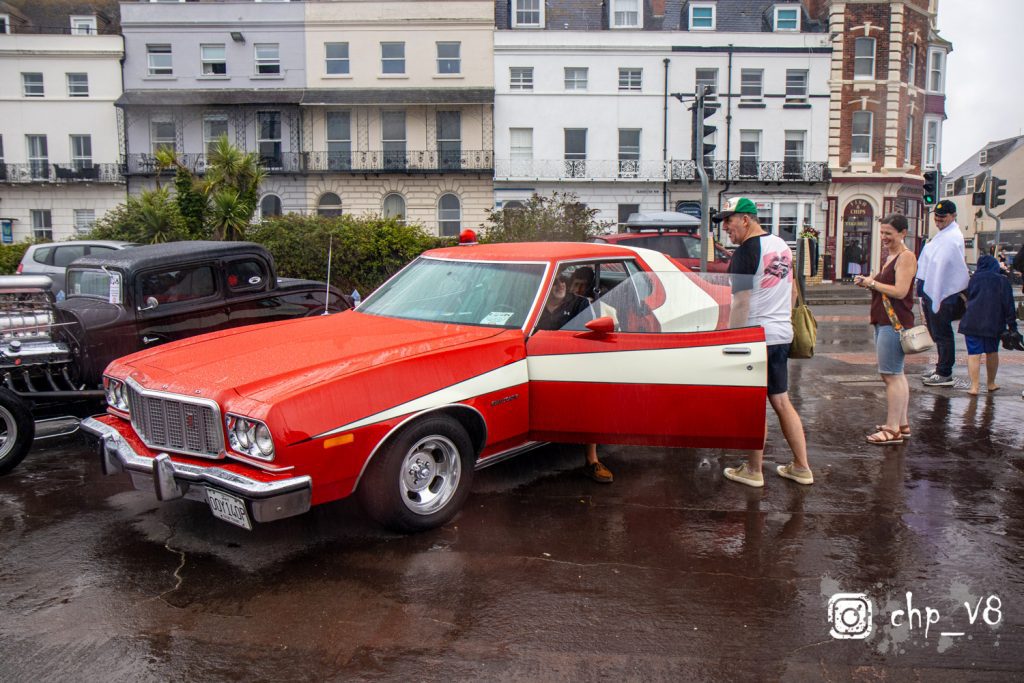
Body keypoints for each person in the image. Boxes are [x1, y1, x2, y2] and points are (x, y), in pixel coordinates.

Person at [714, 197, 813, 487]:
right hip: (781, 333)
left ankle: (754, 470)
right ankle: (801, 466)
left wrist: (730, 340)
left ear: (746, 219)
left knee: (755, 405)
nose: (726, 229)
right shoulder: (781, 245)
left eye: (729, 221)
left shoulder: (745, 252)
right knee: (781, 399)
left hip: (758, 336)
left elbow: (741, 301)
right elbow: (792, 289)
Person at [535, 273, 611, 483]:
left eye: (562, 281)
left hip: (573, 361)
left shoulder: (579, 303)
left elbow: (591, 338)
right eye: (554, 281)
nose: (560, 285)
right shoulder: (535, 304)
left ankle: (592, 460)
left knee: (592, 395)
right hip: (537, 360)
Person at [854, 214, 918, 444]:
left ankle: (892, 430)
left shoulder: (906, 257)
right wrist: (870, 282)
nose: (884, 237)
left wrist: (871, 282)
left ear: (903, 233)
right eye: (882, 233)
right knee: (895, 373)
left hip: (894, 322)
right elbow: (887, 288)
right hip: (886, 320)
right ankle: (901, 423)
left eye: (889, 233)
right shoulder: (892, 256)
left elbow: (900, 291)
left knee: (891, 375)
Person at [915, 200, 970, 387]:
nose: (938, 220)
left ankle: (945, 372)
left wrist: (936, 288)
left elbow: (945, 265)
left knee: (943, 333)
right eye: (936, 217)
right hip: (934, 291)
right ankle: (941, 367)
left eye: (942, 217)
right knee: (937, 332)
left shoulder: (952, 237)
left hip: (944, 293)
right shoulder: (942, 235)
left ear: (953, 216)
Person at [957, 254, 1018, 395]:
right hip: (994, 323)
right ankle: (991, 383)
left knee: (973, 353)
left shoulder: (972, 280)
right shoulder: (1002, 281)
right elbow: (1009, 305)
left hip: (971, 322)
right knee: (992, 352)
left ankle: (974, 387)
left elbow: (965, 299)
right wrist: (1012, 326)